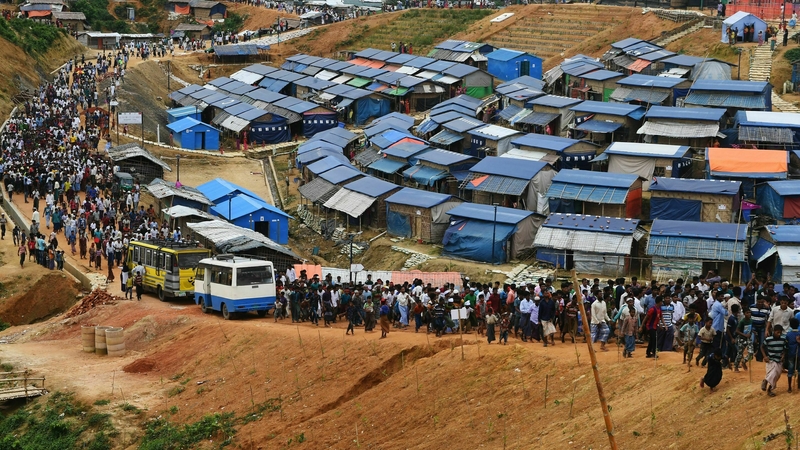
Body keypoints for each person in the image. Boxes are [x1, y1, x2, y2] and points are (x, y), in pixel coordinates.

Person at [761, 324, 788, 397]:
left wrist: (783, 355)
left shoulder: (783, 339)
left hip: (779, 360)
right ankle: (766, 382)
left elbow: (785, 349)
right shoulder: (768, 339)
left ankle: (769, 387)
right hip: (771, 360)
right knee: (773, 372)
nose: (779, 334)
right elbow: (762, 347)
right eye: (777, 332)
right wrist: (765, 356)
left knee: (777, 376)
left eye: (780, 333)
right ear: (773, 331)